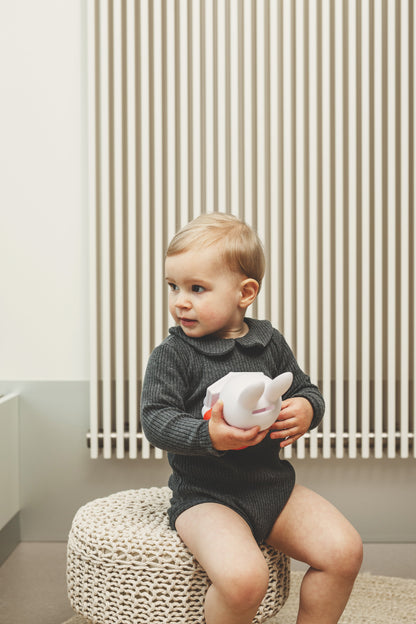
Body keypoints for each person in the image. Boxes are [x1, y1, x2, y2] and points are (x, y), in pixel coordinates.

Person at [141, 212, 363, 624]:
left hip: (271, 487)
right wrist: (208, 435)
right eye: (173, 286)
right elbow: (155, 419)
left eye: (196, 288)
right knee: (245, 580)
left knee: (344, 552)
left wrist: (306, 409)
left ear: (245, 292)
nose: (180, 301)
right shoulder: (172, 355)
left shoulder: (268, 342)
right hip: (205, 496)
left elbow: (304, 389)